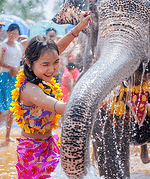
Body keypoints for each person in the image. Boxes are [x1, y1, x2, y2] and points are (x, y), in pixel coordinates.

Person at [11, 11, 91, 178]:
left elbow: (58, 48)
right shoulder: (30, 89)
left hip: (50, 143)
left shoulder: (41, 73)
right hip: (32, 151)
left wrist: (79, 27)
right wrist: (89, 104)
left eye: (55, 63)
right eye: (45, 64)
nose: (52, 69)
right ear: (28, 62)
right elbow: (56, 106)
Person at [0, 23, 29, 144]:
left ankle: (8, 135)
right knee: (1, 106)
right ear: (7, 33)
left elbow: (20, 61)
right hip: (4, 76)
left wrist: (17, 69)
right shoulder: (3, 45)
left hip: (15, 78)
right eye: (11, 32)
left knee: (12, 107)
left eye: (16, 33)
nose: (13, 35)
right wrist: (10, 68)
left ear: (18, 34)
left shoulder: (19, 47)